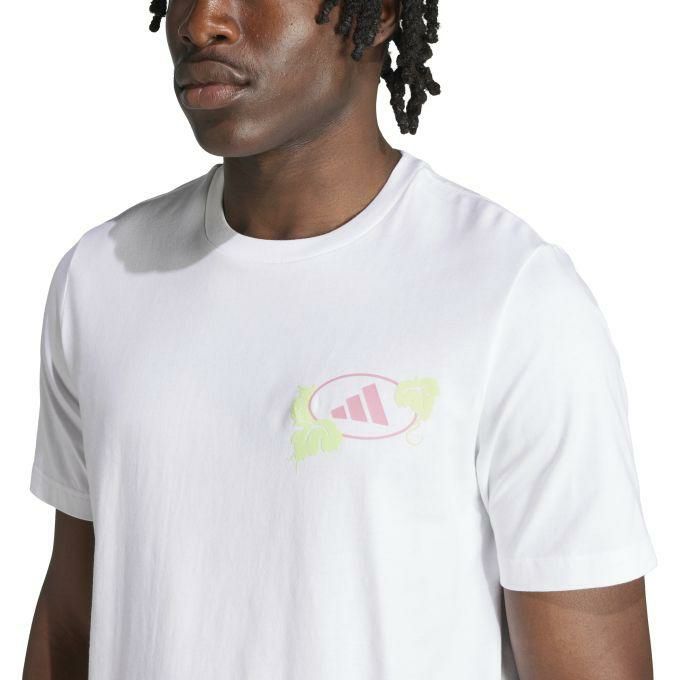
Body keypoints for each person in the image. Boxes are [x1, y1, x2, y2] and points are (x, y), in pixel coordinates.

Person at [23, 1, 657, 679]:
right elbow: (74, 619)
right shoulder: (103, 279)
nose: (201, 22)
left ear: (378, 12)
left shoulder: (513, 299)